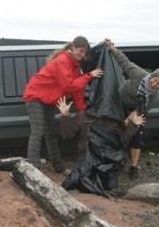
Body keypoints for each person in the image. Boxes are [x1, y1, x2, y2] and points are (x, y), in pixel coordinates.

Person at [22, 36, 103, 172]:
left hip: (48, 99)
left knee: (51, 133)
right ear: (73, 48)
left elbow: (77, 90)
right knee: (38, 132)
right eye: (80, 51)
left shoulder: (76, 66)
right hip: (35, 96)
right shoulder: (62, 60)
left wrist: (82, 112)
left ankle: (58, 167)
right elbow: (68, 86)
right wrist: (89, 75)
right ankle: (32, 170)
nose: (82, 55)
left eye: (85, 53)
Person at [105, 39, 159, 179]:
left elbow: (141, 111)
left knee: (136, 134)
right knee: (113, 131)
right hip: (119, 103)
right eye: (155, 80)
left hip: (136, 111)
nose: (155, 84)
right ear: (152, 76)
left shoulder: (154, 96)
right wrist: (112, 48)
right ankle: (111, 160)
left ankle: (133, 166)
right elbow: (125, 63)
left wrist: (130, 121)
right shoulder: (139, 75)